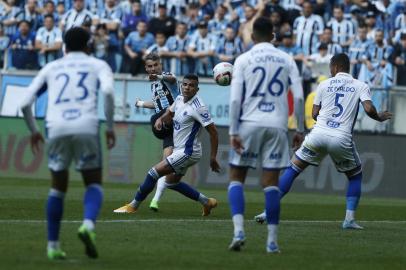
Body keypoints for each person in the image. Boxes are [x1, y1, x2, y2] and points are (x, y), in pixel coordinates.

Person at [253, 53, 392, 230]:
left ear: (334, 67)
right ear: (347, 67)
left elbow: (314, 114)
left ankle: (267, 211)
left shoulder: (324, 84)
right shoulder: (360, 85)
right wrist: (378, 117)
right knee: (355, 176)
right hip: (341, 138)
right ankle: (349, 219)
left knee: (293, 169)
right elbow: (368, 108)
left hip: (318, 134)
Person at [19, 27, 116, 260]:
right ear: (88, 45)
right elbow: (109, 92)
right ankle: (88, 226)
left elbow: (24, 103)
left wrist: (33, 131)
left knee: (57, 187)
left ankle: (52, 246)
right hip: (86, 126)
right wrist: (110, 127)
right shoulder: (98, 65)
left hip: (56, 127)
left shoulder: (51, 67)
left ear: (63, 46)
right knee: (93, 182)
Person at [228, 17, 304, 253]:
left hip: (249, 123)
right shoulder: (287, 58)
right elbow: (299, 97)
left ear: (252, 37)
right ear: (273, 35)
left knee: (236, 178)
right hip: (277, 125)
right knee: (270, 184)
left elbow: (234, 99)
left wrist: (233, 131)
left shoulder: (243, 59)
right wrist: (299, 128)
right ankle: (272, 242)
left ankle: (239, 231)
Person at [113, 74, 220, 217]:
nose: (187, 88)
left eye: (192, 85)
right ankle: (207, 202)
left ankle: (133, 206)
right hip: (181, 149)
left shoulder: (199, 107)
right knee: (171, 183)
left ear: (197, 89)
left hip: (188, 152)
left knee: (153, 173)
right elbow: (170, 112)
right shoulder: (179, 98)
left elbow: (213, 132)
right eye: (185, 84)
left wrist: (213, 157)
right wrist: (161, 119)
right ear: (182, 85)